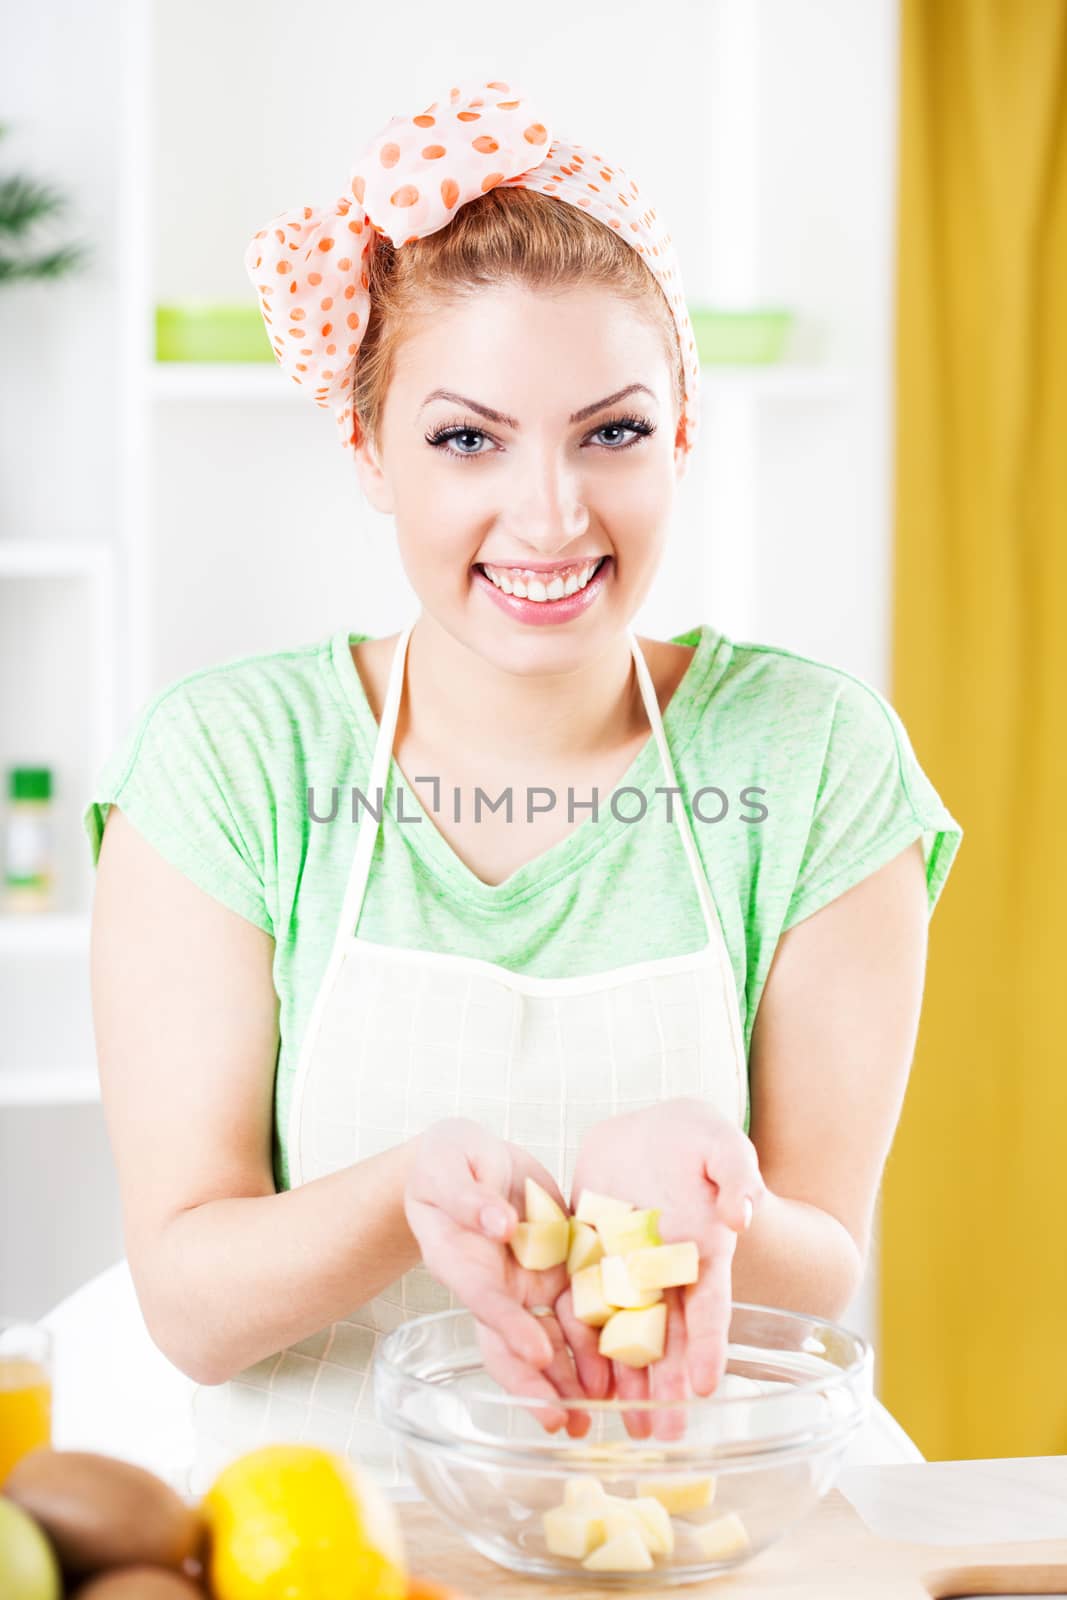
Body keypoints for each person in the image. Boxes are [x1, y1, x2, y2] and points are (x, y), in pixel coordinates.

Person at [83, 78, 963, 1493]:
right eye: (467, 438)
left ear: (682, 436)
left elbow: (823, 1278)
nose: (550, 514)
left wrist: (718, 1193)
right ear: (369, 452)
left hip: (709, 1519)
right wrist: (402, 1195)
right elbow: (190, 1304)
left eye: (611, 432)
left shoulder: (812, 758)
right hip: (333, 1544)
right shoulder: (235, 765)